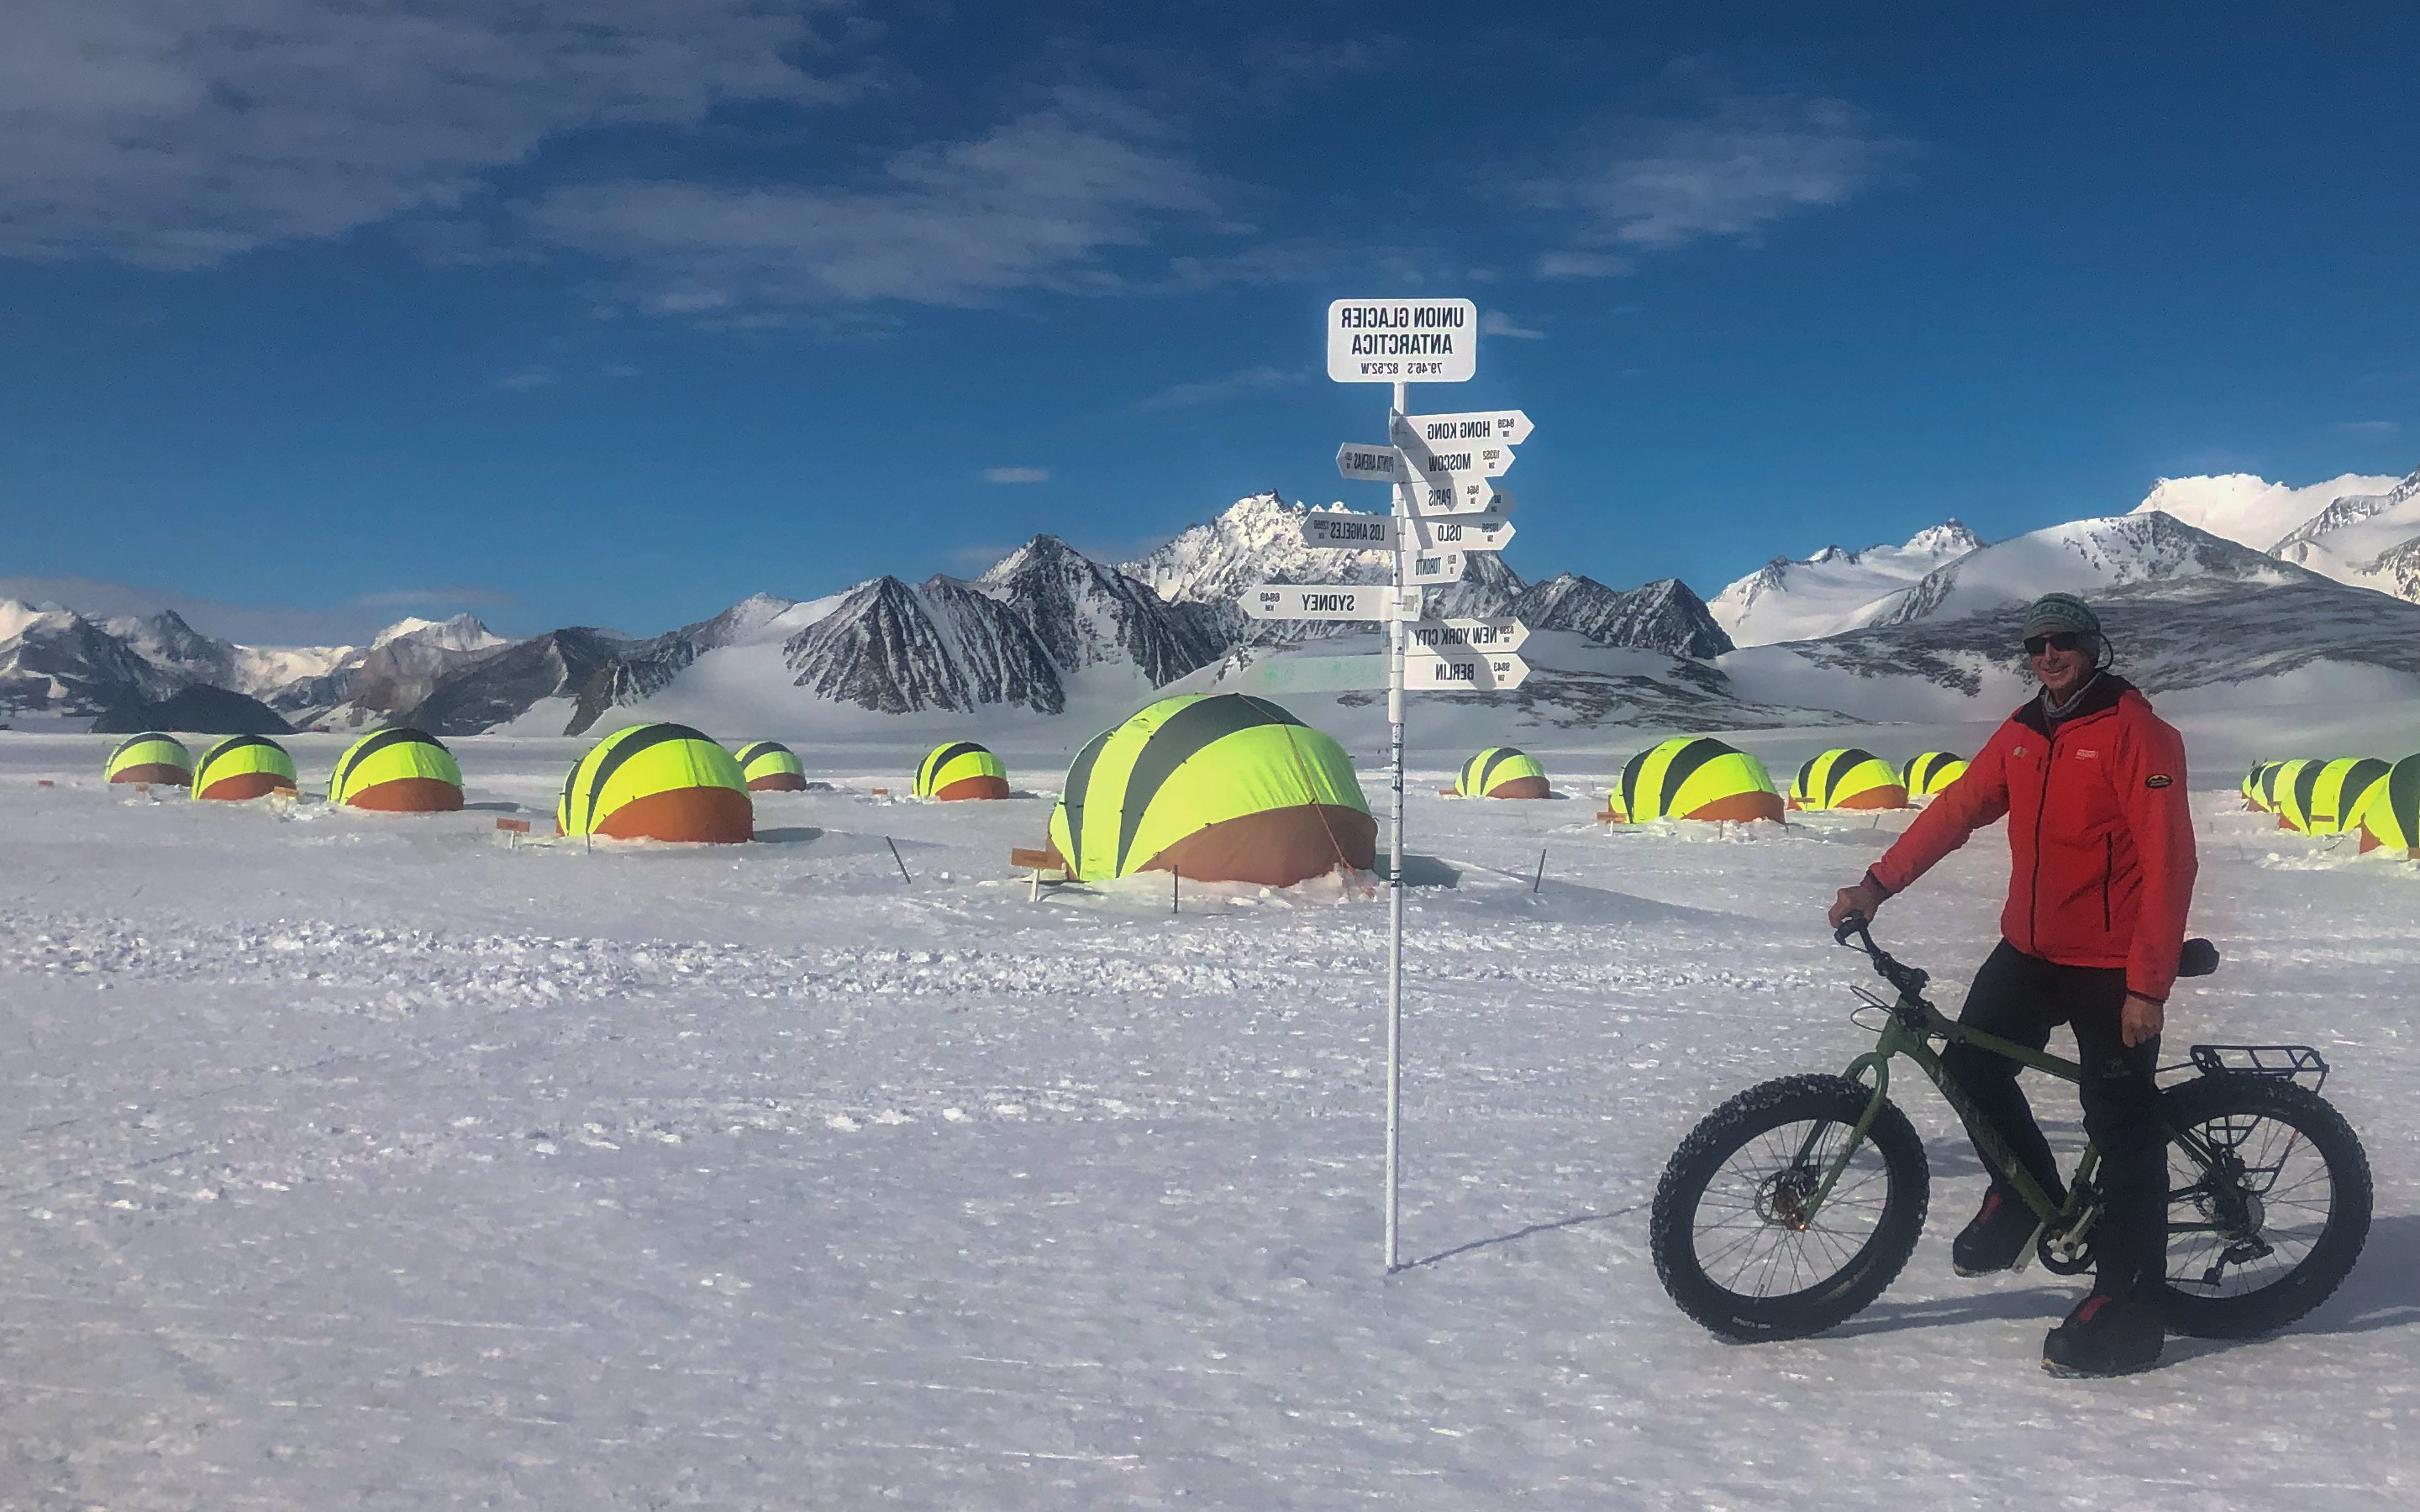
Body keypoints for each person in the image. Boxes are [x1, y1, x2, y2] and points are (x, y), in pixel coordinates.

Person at [1828, 593, 2196, 1377]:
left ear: (2092, 646)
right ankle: (2024, 1199)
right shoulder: (2026, 731)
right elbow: (1958, 809)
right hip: (2030, 951)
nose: (2048, 655)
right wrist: (1876, 885)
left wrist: (2148, 986)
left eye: (2062, 641)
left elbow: (2170, 861)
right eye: (2035, 645)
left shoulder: (2136, 732)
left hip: (2110, 964)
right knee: (1971, 1066)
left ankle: (2132, 1309)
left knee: (2122, 1127)